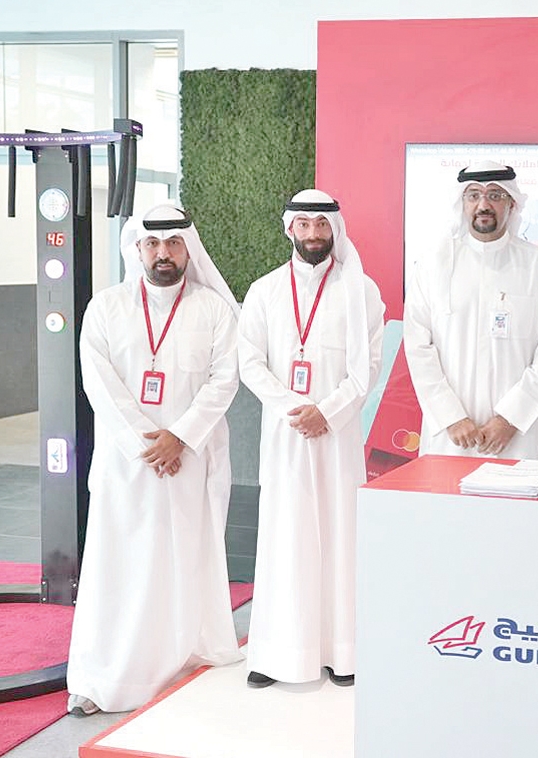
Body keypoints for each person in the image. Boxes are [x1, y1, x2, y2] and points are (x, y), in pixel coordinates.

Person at [67, 203, 242, 715]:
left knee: (183, 556)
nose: (163, 253)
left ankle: (181, 654)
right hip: (128, 464)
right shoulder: (106, 307)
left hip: (190, 460)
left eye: (173, 243)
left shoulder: (214, 310)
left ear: (189, 249)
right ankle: (107, 673)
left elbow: (224, 380)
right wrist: (148, 443)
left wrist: (179, 437)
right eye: (153, 244)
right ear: (137, 249)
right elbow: (98, 382)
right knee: (119, 562)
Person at [238, 189, 384, 690]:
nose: (314, 234)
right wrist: (293, 410)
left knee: (340, 537)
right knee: (285, 537)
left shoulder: (361, 291)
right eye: (304, 225)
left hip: (337, 438)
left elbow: (367, 367)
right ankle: (277, 653)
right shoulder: (264, 291)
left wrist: (328, 412)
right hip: (286, 436)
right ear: (290, 229)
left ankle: (341, 653)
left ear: (335, 230)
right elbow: (250, 362)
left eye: (322, 226)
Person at [404, 161, 538, 459]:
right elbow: (418, 347)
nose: (483, 205)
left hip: (516, 437)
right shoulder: (432, 264)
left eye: (495, 195)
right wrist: (451, 417)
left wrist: (510, 419)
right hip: (450, 436)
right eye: (474, 195)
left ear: (512, 203)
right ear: (462, 203)